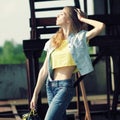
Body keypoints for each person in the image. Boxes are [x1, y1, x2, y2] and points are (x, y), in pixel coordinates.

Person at [30, 6, 105, 120]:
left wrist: (82, 19)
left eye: (61, 14)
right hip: (50, 86)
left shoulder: (79, 38)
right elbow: (44, 70)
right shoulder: (53, 41)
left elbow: (100, 26)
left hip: (64, 87)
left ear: (69, 19)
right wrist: (35, 94)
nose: (57, 16)